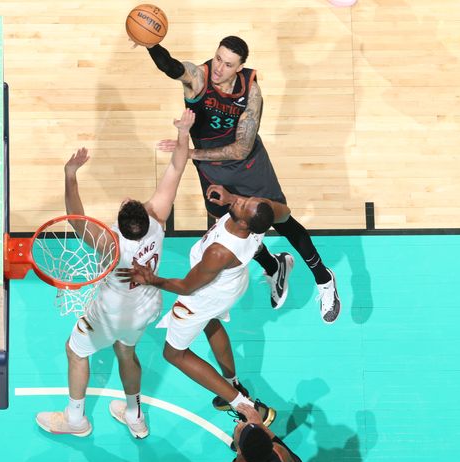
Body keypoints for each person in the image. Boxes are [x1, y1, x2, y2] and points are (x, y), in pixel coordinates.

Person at [142, 35, 341, 324]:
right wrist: (151, 45)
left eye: (228, 64)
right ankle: (274, 266)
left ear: (241, 66)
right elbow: (171, 66)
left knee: (280, 220)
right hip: (211, 168)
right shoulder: (199, 77)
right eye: (218, 58)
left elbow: (241, 148)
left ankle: (324, 279)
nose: (219, 68)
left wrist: (191, 153)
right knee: (233, 229)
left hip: (248, 165)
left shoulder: (252, 92)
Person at [35, 109, 196, 439]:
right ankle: (134, 414)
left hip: (109, 312)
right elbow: (178, 166)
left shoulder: (109, 243)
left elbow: (76, 218)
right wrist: (184, 133)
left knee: (75, 351)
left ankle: (75, 420)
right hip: (145, 307)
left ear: (120, 222)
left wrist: (70, 174)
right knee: (126, 352)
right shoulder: (157, 219)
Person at [119, 185, 289, 423]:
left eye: (242, 204)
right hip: (230, 284)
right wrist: (233, 199)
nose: (241, 200)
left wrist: (151, 279)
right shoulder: (260, 213)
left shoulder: (220, 252)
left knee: (174, 354)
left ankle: (245, 406)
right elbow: (285, 213)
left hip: (204, 295)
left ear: (244, 224)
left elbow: (187, 287)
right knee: (211, 323)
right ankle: (233, 384)